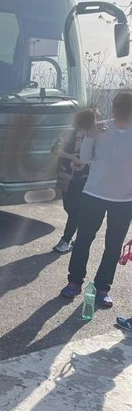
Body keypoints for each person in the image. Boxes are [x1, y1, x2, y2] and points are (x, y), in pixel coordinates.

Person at [60, 91, 132, 308]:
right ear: (114, 109)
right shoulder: (100, 128)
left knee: (113, 245)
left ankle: (103, 288)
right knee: (83, 240)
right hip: (93, 194)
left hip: (125, 200)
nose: (121, 117)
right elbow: (85, 159)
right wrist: (90, 136)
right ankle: (74, 282)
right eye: (119, 111)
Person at [52, 108, 97, 253]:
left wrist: (86, 161)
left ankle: (65, 240)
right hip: (67, 177)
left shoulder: (95, 137)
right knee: (69, 207)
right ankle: (79, 234)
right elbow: (54, 150)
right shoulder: (68, 134)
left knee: (75, 211)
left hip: (85, 179)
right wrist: (72, 157)